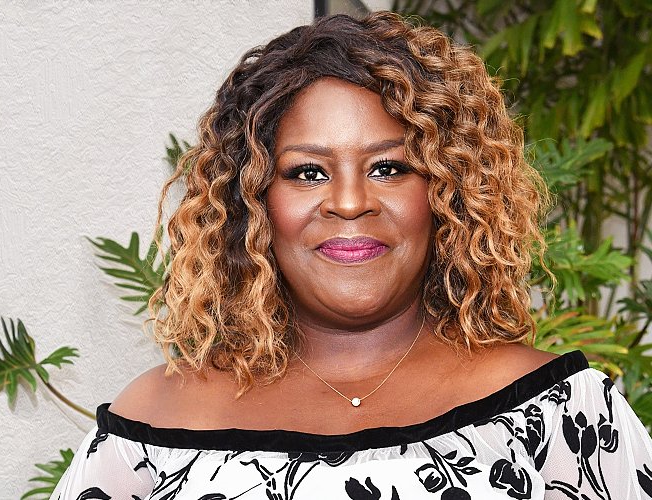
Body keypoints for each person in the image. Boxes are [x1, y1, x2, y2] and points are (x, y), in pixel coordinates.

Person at [51, 11, 652, 500]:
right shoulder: (150, 434)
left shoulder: (559, 418)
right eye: (307, 172)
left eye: (388, 167)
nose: (348, 202)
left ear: (446, 193)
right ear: (253, 203)